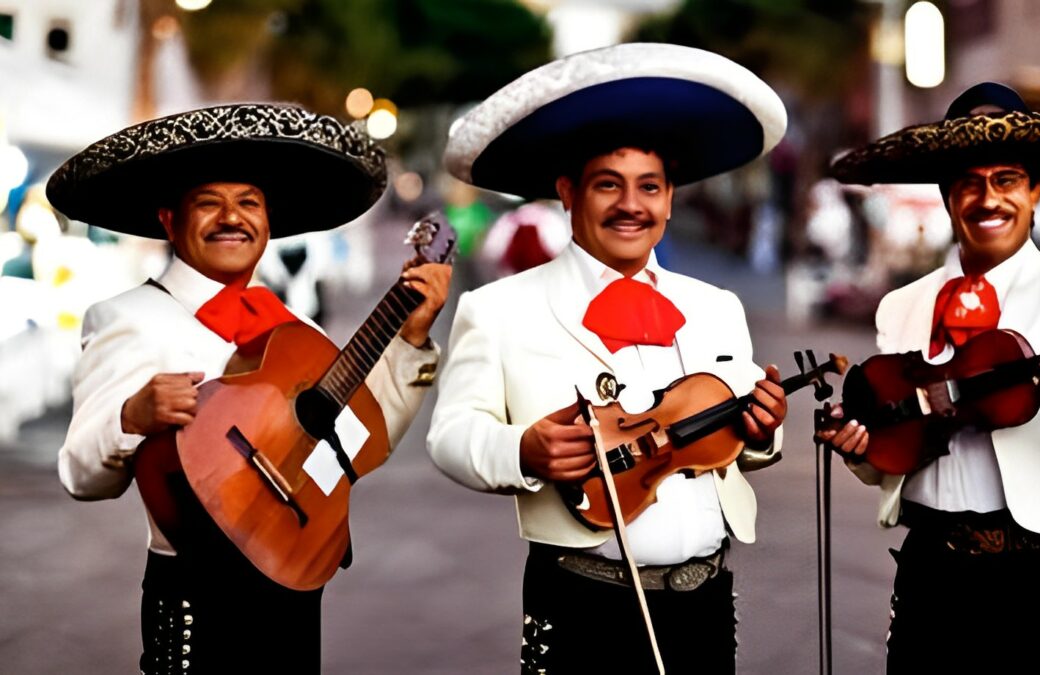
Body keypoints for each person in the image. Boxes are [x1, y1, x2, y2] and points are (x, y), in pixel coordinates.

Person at [48, 104, 450, 675]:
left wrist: (410, 340)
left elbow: (362, 440)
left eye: (249, 202)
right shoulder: (127, 317)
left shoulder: (293, 329)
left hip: (296, 589)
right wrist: (131, 417)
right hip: (195, 593)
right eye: (209, 202)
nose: (231, 217)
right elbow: (79, 475)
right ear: (169, 219)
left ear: (268, 222)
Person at [429, 43, 789, 674]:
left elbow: (728, 437)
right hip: (579, 600)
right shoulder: (498, 308)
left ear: (670, 199)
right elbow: (452, 435)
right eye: (607, 185)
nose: (631, 205)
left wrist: (761, 429)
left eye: (649, 187)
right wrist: (524, 451)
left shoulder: (717, 306)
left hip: (704, 598)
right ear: (568, 193)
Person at [821, 82, 1040, 673]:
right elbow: (887, 458)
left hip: (1039, 573)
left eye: (1006, 179)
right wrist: (859, 450)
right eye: (969, 181)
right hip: (930, 571)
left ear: (1036, 188)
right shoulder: (902, 306)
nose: (987, 198)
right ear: (948, 196)